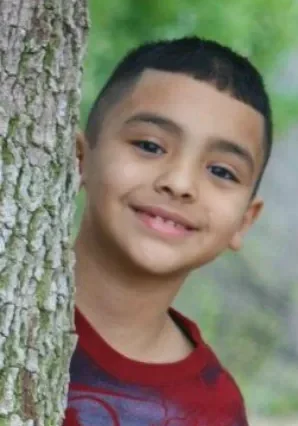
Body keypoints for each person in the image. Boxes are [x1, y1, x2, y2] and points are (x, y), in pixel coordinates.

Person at [63, 36, 272, 425]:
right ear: (79, 158)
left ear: (244, 221)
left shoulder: (215, 410)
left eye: (221, 171)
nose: (179, 182)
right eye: (149, 145)